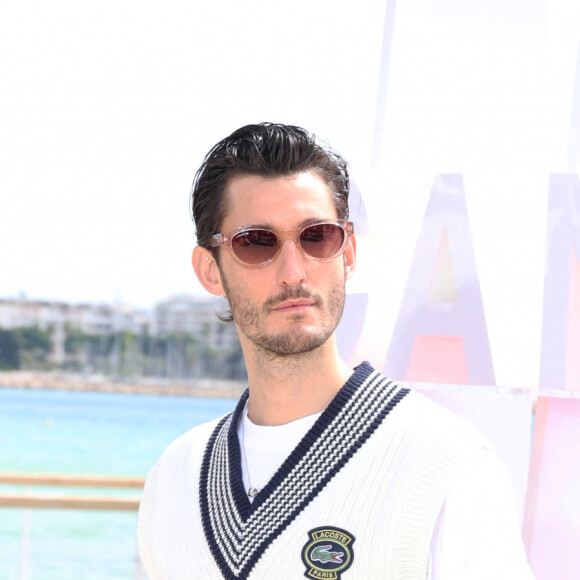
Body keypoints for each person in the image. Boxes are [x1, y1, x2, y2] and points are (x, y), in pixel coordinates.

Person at [137, 122, 534, 579]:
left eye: (317, 236)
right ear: (210, 269)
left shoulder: (446, 466)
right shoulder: (174, 479)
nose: (294, 271)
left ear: (347, 253)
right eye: (256, 242)